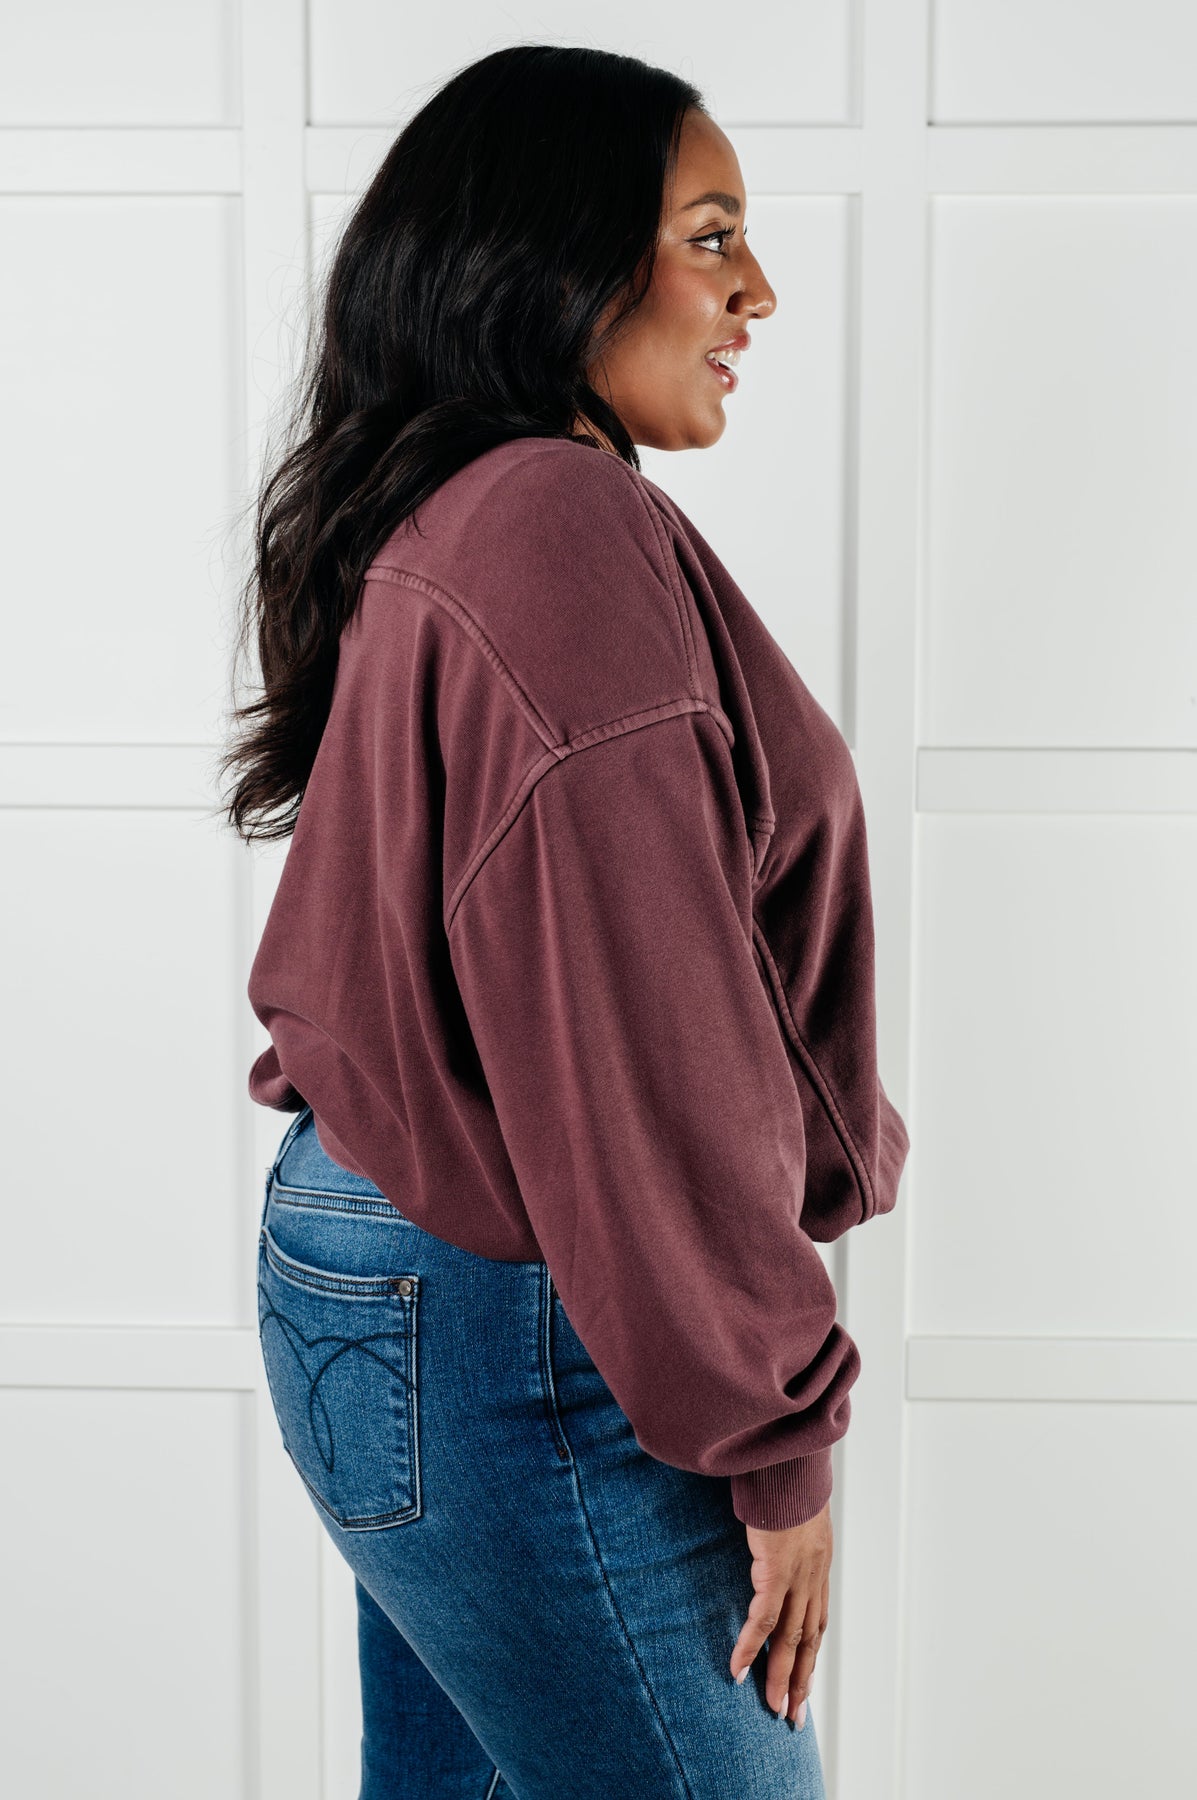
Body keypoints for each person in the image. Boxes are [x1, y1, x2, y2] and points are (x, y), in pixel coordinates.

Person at [219, 42, 910, 1800]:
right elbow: (648, 1047)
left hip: (393, 1260)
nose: (757, 292)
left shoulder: (465, 505)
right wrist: (773, 1437)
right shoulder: (557, 525)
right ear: (557, 260)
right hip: (518, 1307)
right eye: (709, 237)